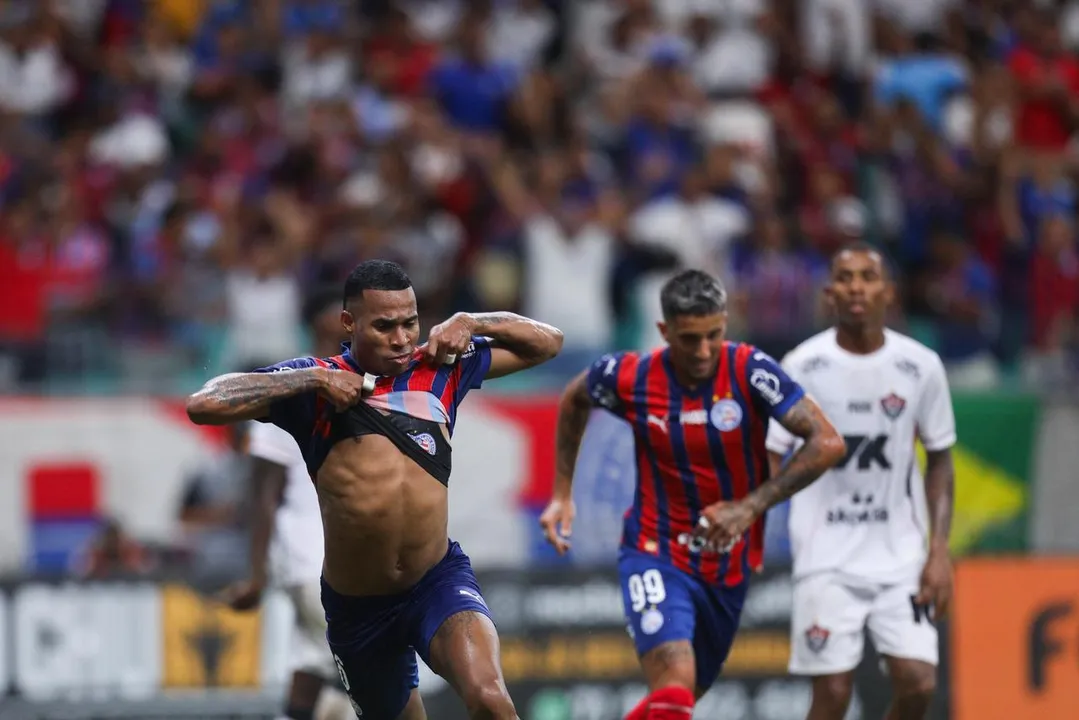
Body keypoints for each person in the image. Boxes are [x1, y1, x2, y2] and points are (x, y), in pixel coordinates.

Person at [186, 259, 563, 720]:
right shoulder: (314, 383)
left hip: (436, 582)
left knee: (488, 697)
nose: (402, 339)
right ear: (349, 323)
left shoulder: (441, 367)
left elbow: (549, 344)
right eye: (385, 326)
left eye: (410, 323)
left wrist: (473, 319)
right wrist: (313, 378)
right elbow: (203, 403)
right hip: (358, 610)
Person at [540, 269, 846, 720]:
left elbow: (827, 442)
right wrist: (562, 492)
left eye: (713, 335)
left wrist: (750, 507)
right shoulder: (631, 376)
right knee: (675, 678)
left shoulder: (749, 370)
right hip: (654, 550)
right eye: (689, 339)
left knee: (678, 701)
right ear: (665, 331)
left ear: (725, 322)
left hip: (727, 563)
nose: (703, 351)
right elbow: (574, 398)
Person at [765, 244, 956, 720]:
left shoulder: (920, 365)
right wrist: (752, 520)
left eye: (867, 276)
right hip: (824, 555)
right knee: (831, 696)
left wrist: (939, 551)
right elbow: (772, 454)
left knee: (918, 684)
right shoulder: (802, 365)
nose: (856, 287)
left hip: (900, 554)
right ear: (829, 293)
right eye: (845, 278)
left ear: (888, 292)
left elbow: (939, 460)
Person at [220, 287, 352, 720]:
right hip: (309, 555)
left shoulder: (361, 386)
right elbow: (262, 492)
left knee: (311, 665)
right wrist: (256, 575)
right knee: (364, 662)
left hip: (337, 555)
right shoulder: (287, 386)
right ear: (315, 322)